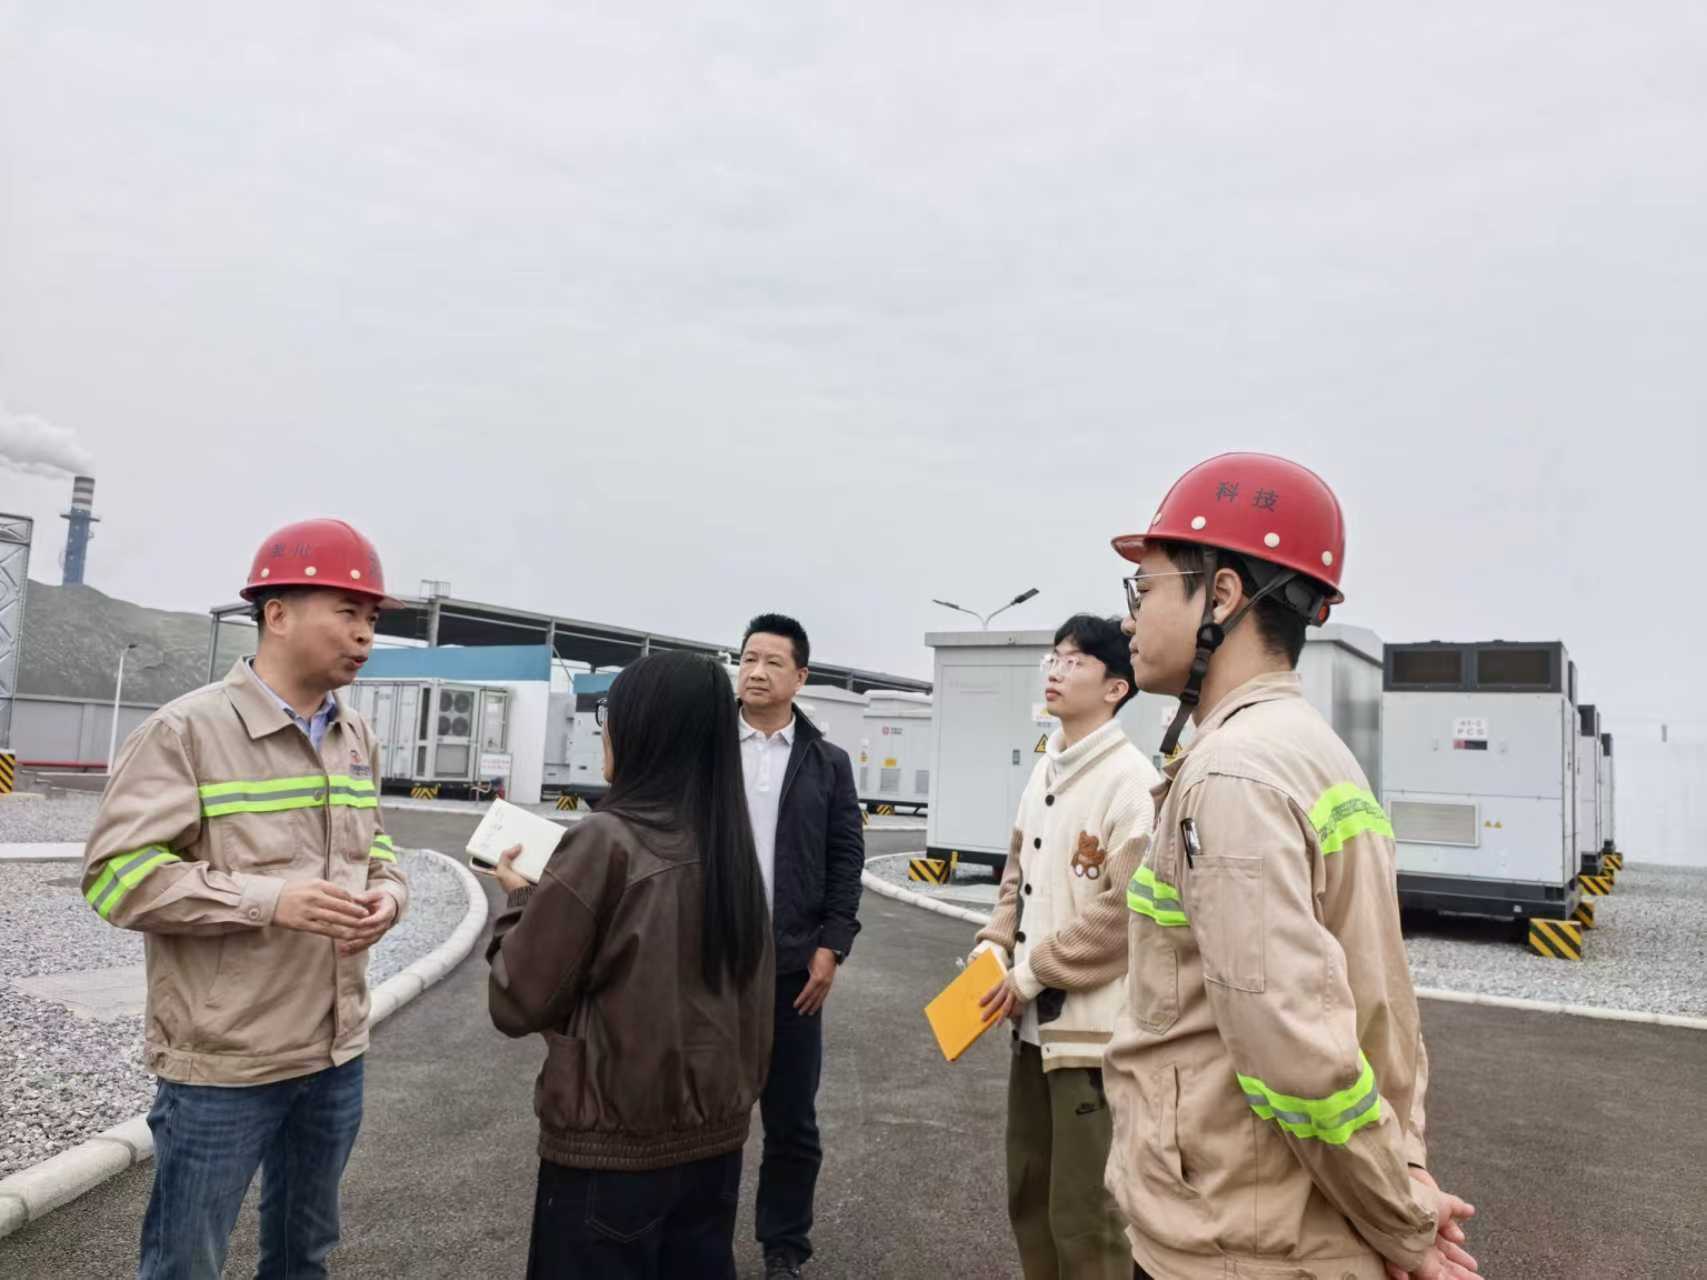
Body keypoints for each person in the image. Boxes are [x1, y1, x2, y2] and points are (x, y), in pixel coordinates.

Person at [1100, 453, 1478, 1280]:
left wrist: (1404, 1221)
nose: (1128, 620)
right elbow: (1378, 1004)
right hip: (1286, 1228)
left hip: (1236, 1243)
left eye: (1147, 590)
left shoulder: (1233, 773)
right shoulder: (1316, 755)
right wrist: (1404, 1170)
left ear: (1222, 596)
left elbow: (1295, 1052)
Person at [81, 518, 407, 1279]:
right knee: (185, 1263)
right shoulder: (186, 731)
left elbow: (377, 847)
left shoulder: (353, 734)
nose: (364, 635)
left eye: (370, 619)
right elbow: (114, 875)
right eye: (347, 612)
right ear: (278, 613)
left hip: (334, 1052)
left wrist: (389, 896)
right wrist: (268, 900)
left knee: (306, 1253)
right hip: (223, 1065)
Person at [486, 652, 774, 1280]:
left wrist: (519, 900)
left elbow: (517, 999)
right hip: (714, 1152)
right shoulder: (730, 848)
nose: (603, 728)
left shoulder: (606, 840)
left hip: (609, 1159)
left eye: (610, 714)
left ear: (645, 730)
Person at [972, 613, 1161, 1280]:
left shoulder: (1130, 783)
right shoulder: (1047, 765)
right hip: (1030, 1029)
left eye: (1074, 660)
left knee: (1085, 1213)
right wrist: (993, 944)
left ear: (1115, 688)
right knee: (1029, 1193)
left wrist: (1032, 972)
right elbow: (1016, 872)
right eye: (1053, 656)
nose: (1054, 669)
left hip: (1092, 1040)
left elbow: (1126, 915)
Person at [734, 613, 865, 1280]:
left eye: (771, 662)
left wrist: (830, 947)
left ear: (800, 677)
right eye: (747, 658)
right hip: (714, 966)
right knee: (706, 1117)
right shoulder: (706, 749)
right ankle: (695, 1239)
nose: (755, 671)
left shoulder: (825, 763)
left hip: (793, 970)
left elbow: (846, 860)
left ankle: (784, 1246)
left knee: (791, 1122)